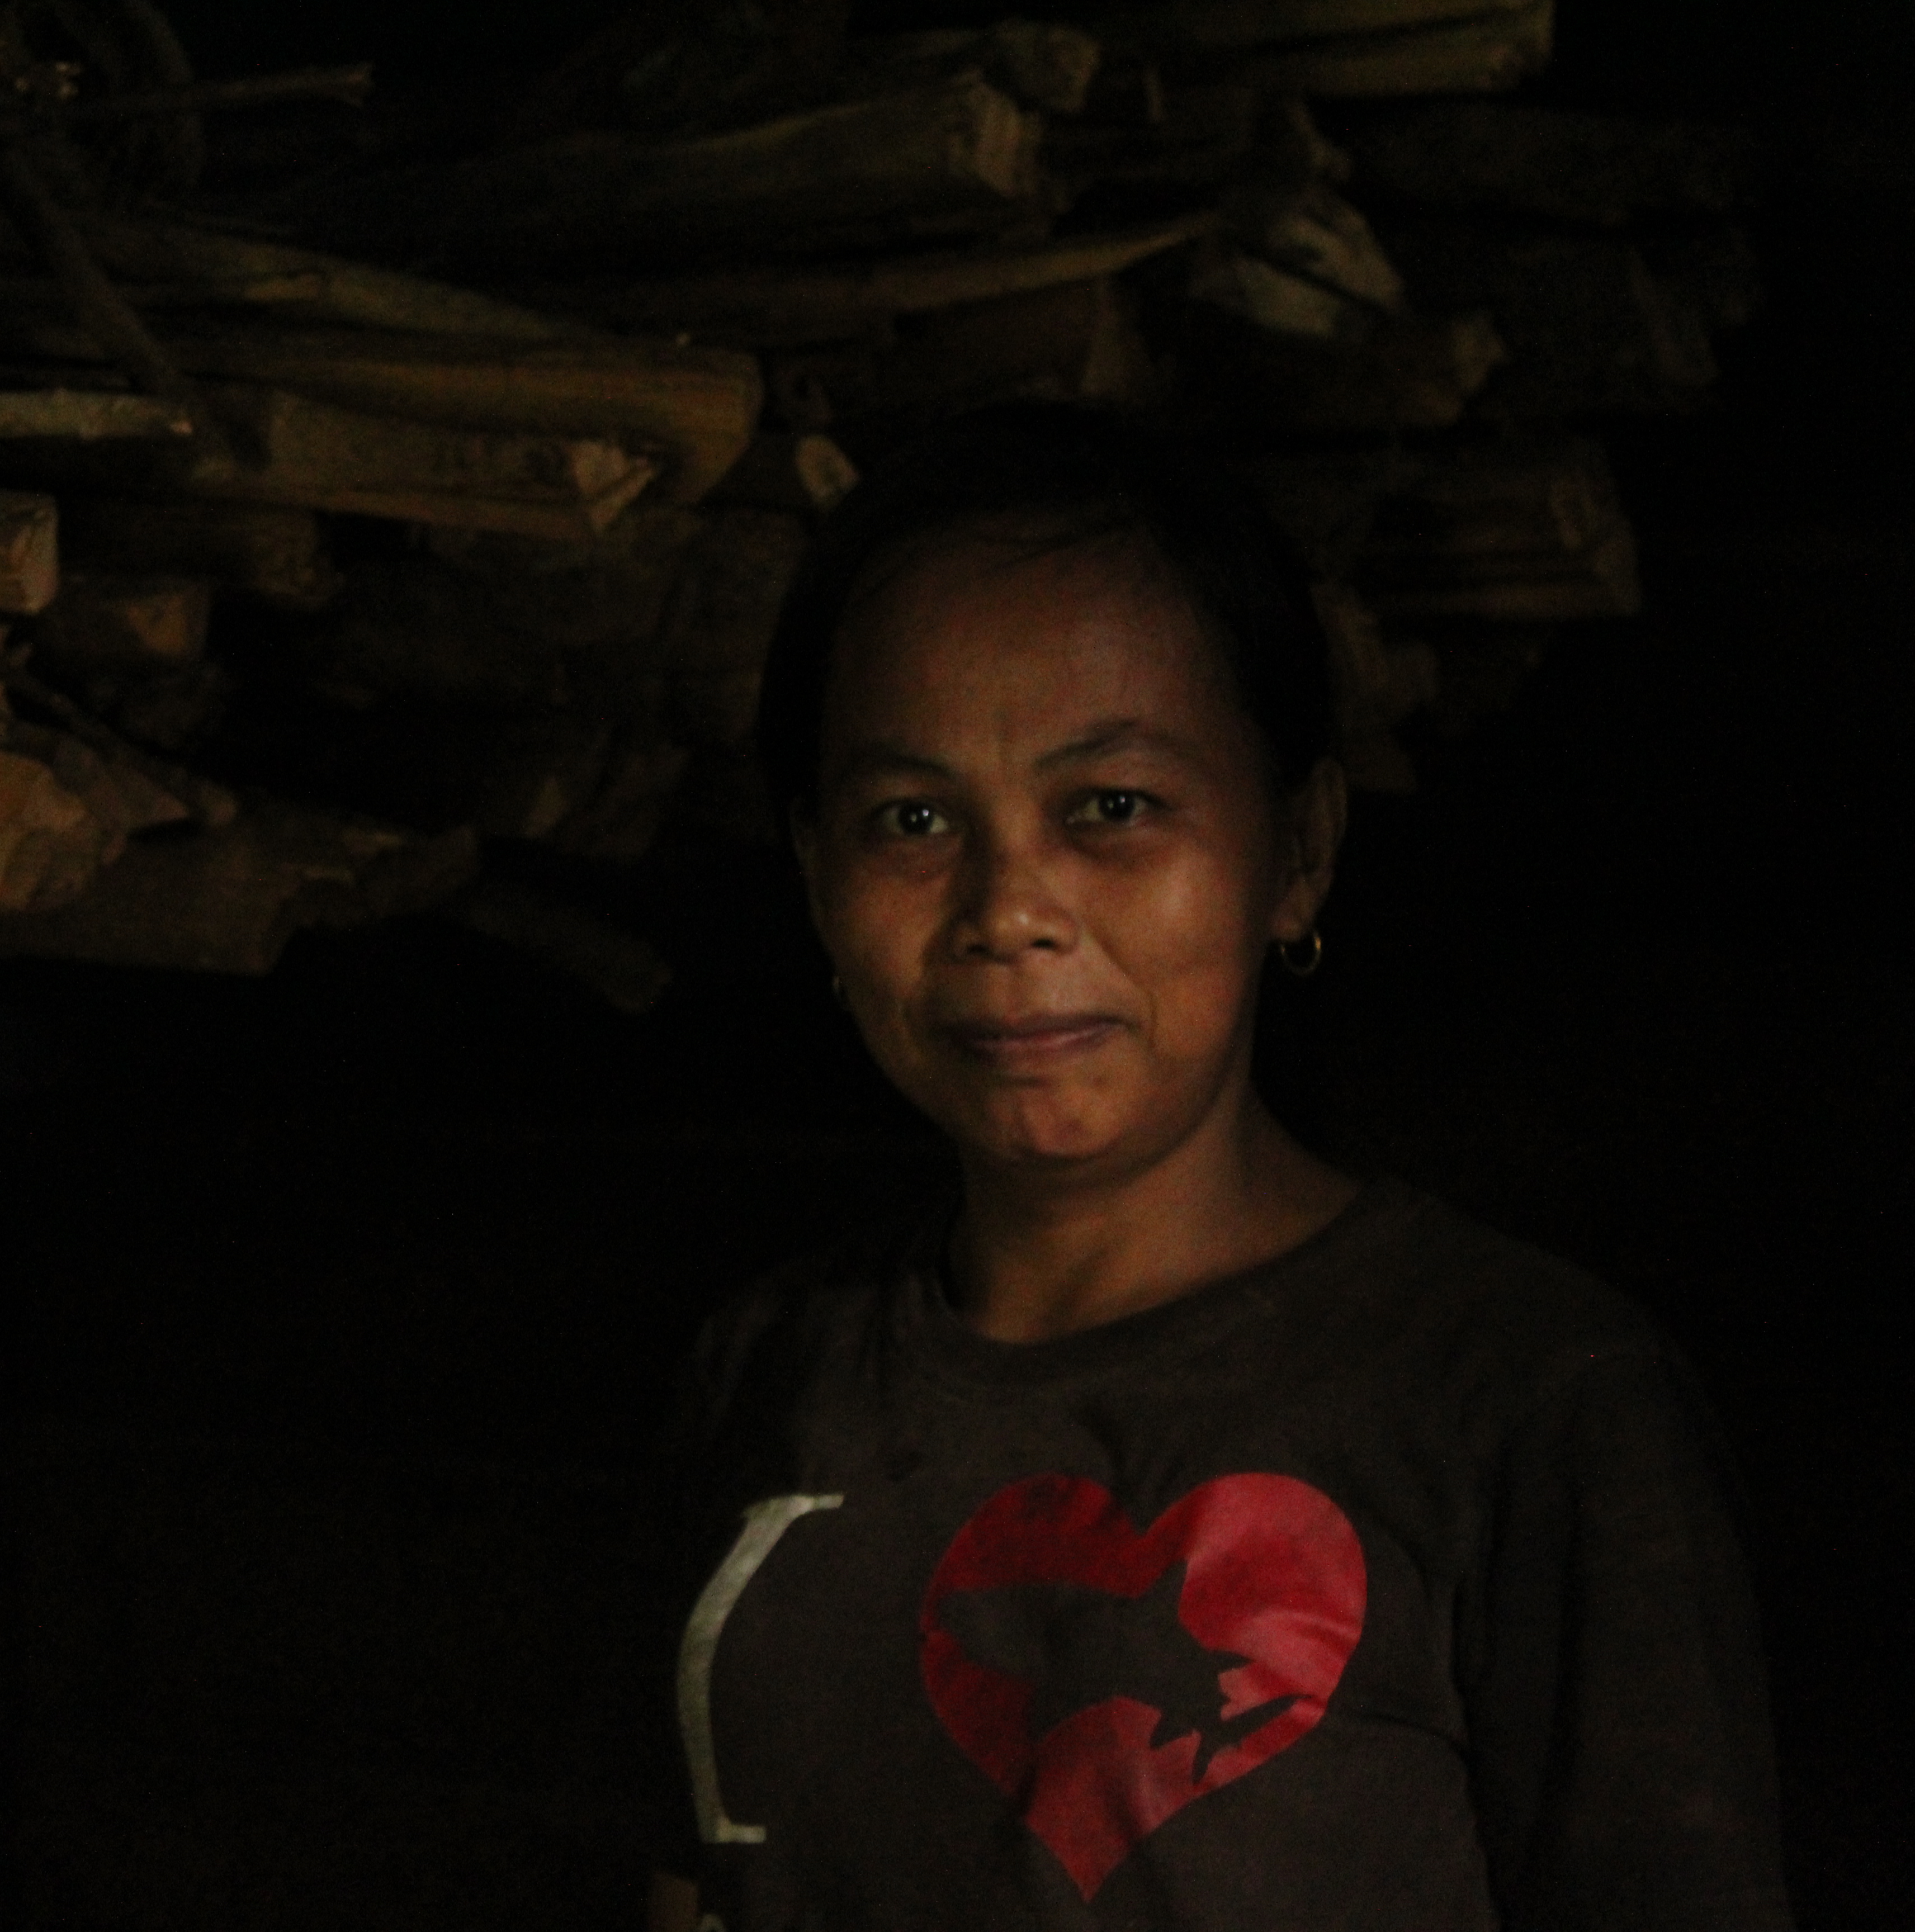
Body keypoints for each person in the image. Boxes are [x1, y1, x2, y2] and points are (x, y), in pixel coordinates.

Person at [638, 405, 1793, 1932]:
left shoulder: (1530, 1404)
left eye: (1112, 808)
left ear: (1296, 850)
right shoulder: (771, 1370)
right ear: (814, 875)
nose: (1011, 907)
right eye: (911, 819)